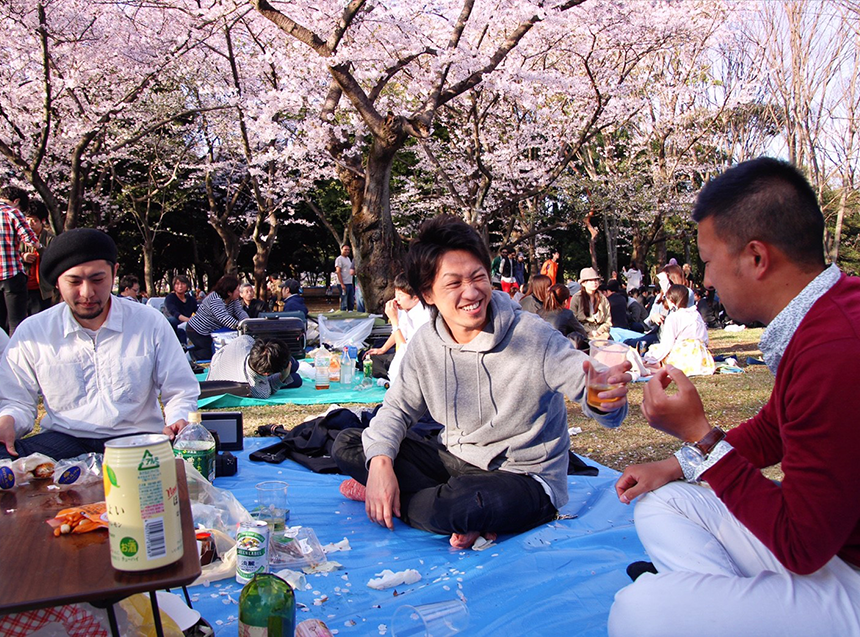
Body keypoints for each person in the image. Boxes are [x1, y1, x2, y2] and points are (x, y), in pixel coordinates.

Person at [608, 157, 860, 636]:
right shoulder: (829, 311)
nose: (705, 281)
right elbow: (775, 428)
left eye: (707, 261)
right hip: (829, 549)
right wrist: (676, 465)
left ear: (756, 258)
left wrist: (700, 436)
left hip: (840, 567)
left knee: (637, 610)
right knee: (663, 502)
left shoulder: (836, 350)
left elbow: (802, 546)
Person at [332, 215, 632, 549]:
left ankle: (406, 502)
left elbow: (583, 378)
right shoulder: (426, 343)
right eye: (454, 283)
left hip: (524, 478)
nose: (471, 292)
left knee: (464, 504)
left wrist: (604, 399)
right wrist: (381, 465)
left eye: (478, 277)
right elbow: (399, 408)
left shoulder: (532, 336)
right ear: (428, 293)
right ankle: (404, 494)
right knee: (349, 442)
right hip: (455, 462)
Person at [0, 228, 198, 460]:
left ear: (114, 273)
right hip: (64, 438)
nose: (87, 293)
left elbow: (180, 389)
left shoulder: (149, 322)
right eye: (74, 281)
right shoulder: (34, 331)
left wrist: (178, 419)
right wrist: (9, 420)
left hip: (136, 437)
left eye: (98, 279)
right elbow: (16, 400)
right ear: (56, 283)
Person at [365, 273, 431, 384]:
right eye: (396, 293)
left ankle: (391, 381)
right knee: (371, 358)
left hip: (417, 361)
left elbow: (404, 349)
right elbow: (400, 331)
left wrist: (394, 320)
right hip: (405, 356)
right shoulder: (407, 309)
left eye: (401, 295)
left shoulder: (424, 316)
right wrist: (382, 349)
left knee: (395, 367)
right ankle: (389, 378)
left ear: (416, 298)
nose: (397, 298)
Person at [641, 284, 714, 376]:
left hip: (683, 354)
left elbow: (667, 344)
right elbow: (705, 338)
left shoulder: (673, 317)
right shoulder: (696, 314)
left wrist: (651, 358)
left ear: (671, 300)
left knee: (654, 350)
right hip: (700, 356)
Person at [0, 186, 41, 334]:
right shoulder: (12, 213)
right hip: (11, 274)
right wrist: (39, 246)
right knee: (16, 322)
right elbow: (31, 239)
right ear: (16, 201)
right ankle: (15, 355)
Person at [208, 335, 301, 398]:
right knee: (296, 378)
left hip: (221, 368)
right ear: (266, 373)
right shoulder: (255, 389)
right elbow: (270, 387)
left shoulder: (244, 341)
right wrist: (283, 377)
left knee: (294, 366)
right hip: (244, 376)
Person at [186, 275, 249, 361]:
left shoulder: (234, 300)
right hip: (197, 330)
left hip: (212, 330)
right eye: (237, 290)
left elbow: (239, 312)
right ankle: (188, 355)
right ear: (229, 292)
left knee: (211, 351)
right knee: (207, 354)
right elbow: (224, 318)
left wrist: (247, 322)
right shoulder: (215, 299)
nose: (239, 292)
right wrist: (240, 326)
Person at [20, 201, 55, 316]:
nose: (30, 224)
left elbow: (52, 258)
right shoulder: (19, 237)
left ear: (42, 221)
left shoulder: (50, 239)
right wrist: (22, 256)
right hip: (20, 287)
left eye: (34, 220)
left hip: (41, 290)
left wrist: (39, 247)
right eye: (27, 219)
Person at [538, 284, 588, 349]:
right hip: (557, 349)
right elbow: (582, 333)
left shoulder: (539, 312)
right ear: (566, 301)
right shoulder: (567, 314)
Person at [571, 267, 612, 340]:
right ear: (583, 283)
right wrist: (589, 331)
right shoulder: (576, 298)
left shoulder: (603, 299)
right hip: (583, 333)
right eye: (591, 280)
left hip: (601, 333)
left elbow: (608, 320)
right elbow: (573, 321)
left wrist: (600, 331)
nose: (595, 283)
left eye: (596, 280)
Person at [164, 274, 198, 341]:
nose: (180, 286)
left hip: (186, 324)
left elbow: (198, 311)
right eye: (177, 284)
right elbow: (174, 313)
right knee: (173, 320)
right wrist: (189, 320)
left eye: (183, 284)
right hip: (173, 325)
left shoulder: (191, 300)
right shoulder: (170, 298)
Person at [335, 244, 356, 311]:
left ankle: (350, 314)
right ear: (341, 250)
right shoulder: (339, 259)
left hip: (349, 283)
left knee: (351, 301)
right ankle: (343, 315)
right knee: (344, 302)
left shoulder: (348, 259)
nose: (347, 251)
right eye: (345, 249)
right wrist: (342, 284)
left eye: (348, 250)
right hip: (343, 284)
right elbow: (338, 272)